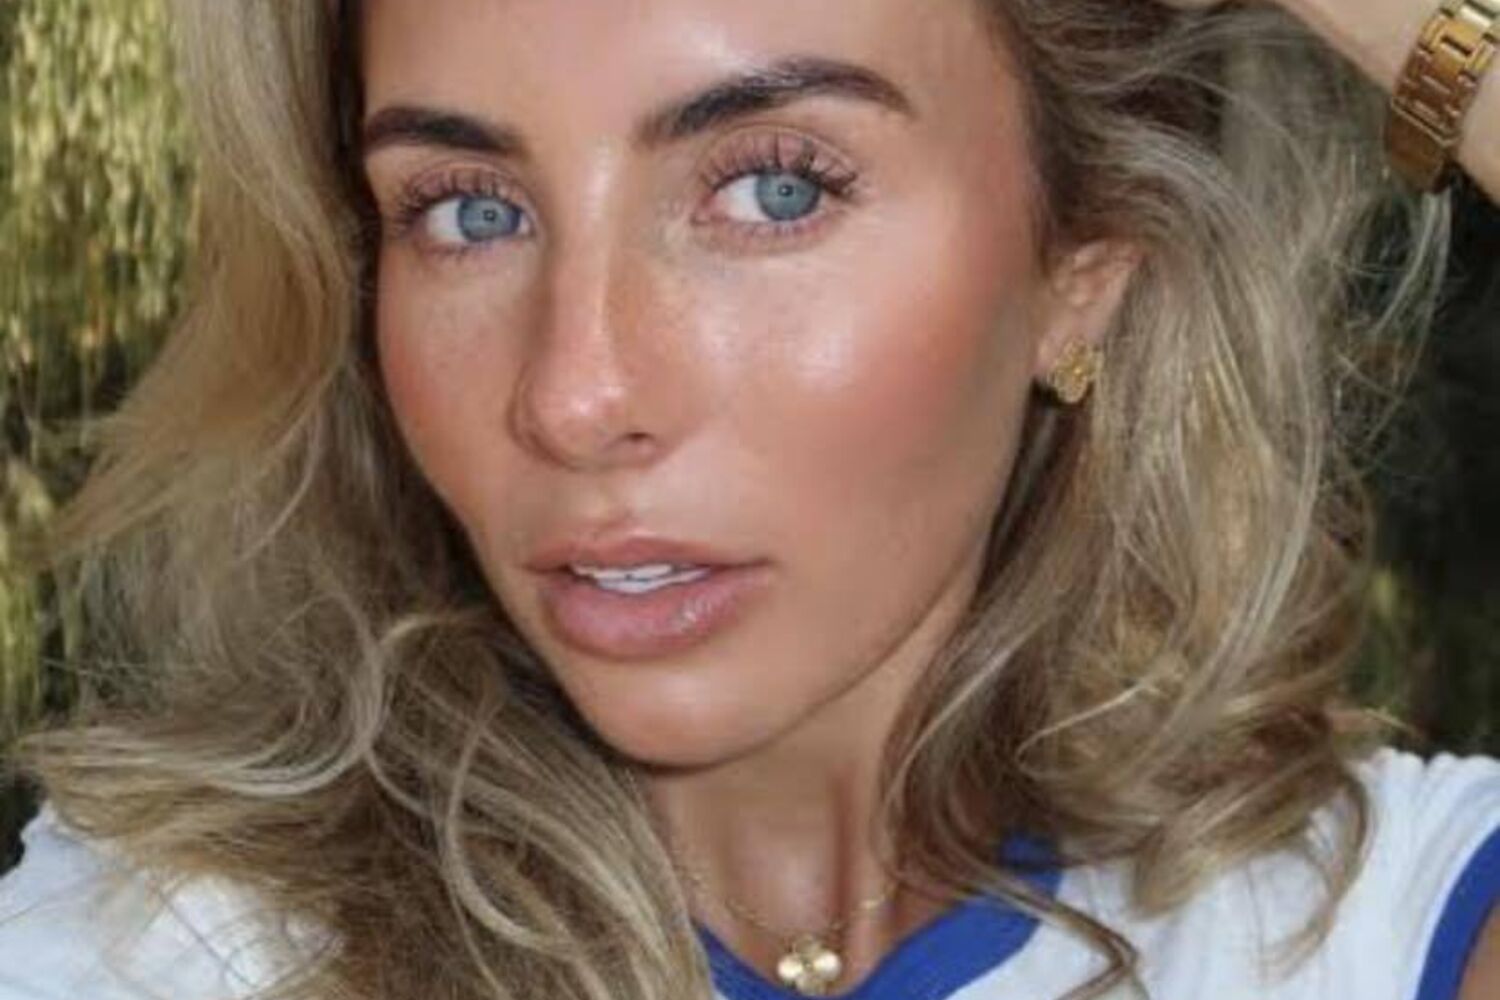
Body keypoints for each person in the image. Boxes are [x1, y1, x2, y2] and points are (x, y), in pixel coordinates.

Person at [0, 0, 1496, 998]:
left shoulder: (1353, 927)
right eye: (469, 209)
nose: (573, 393)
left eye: (774, 188)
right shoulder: (175, 945)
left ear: (1079, 276)